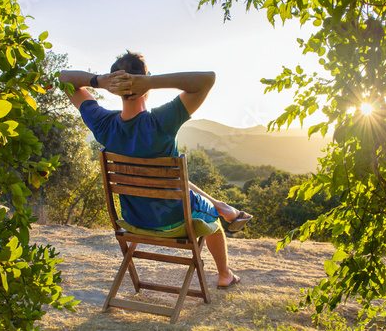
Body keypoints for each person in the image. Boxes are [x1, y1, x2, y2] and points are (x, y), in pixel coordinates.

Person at [59, 51, 252, 289]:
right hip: (174, 221)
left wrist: (99, 81)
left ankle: (222, 207)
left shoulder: (102, 123)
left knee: (176, 179)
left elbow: (64, 79)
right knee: (213, 221)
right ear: (145, 83)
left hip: (133, 221)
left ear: (115, 88)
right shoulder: (161, 121)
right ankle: (225, 274)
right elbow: (207, 79)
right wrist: (150, 81)